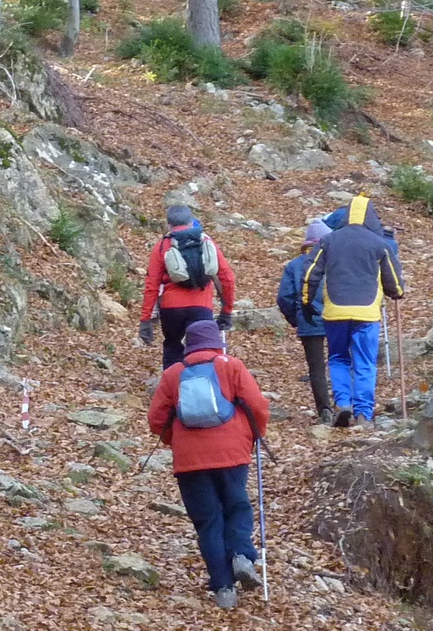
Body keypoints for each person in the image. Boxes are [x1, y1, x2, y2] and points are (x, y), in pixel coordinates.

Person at [147, 320, 270, 609]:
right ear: (216, 343)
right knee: (237, 506)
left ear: (188, 345)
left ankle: (224, 588)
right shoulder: (231, 366)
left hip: (190, 461)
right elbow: (257, 405)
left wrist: (176, 441)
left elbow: (156, 420)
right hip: (232, 453)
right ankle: (241, 555)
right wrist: (255, 434)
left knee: (208, 521)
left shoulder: (173, 374)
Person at [303, 194, 405, 429]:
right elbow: (394, 280)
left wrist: (307, 302)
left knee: (338, 358)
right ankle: (363, 413)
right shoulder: (379, 243)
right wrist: (397, 292)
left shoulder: (328, 241)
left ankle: (343, 404)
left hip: (335, 311)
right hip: (367, 313)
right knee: (365, 362)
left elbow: (310, 273)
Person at [139, 205, 237, 369]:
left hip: (171, 309)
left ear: (169, 224)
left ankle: (173, 383)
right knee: (204, 353)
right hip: (202, 307)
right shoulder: (206, 242)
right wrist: (227, 311)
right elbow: (227, 278)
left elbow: (152, 286)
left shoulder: (163, 245)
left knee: (173, 347)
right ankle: (203, 382)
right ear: (191, 222)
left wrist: (145, 320)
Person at [277, 220, 333, 424]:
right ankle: (346, 403)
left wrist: (296, 319)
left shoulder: (295, 265)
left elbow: (284, 297)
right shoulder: (335, 262)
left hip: (309, 320)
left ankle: (325, 409)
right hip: (337, 317)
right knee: (341, 361)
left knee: (316, 368)